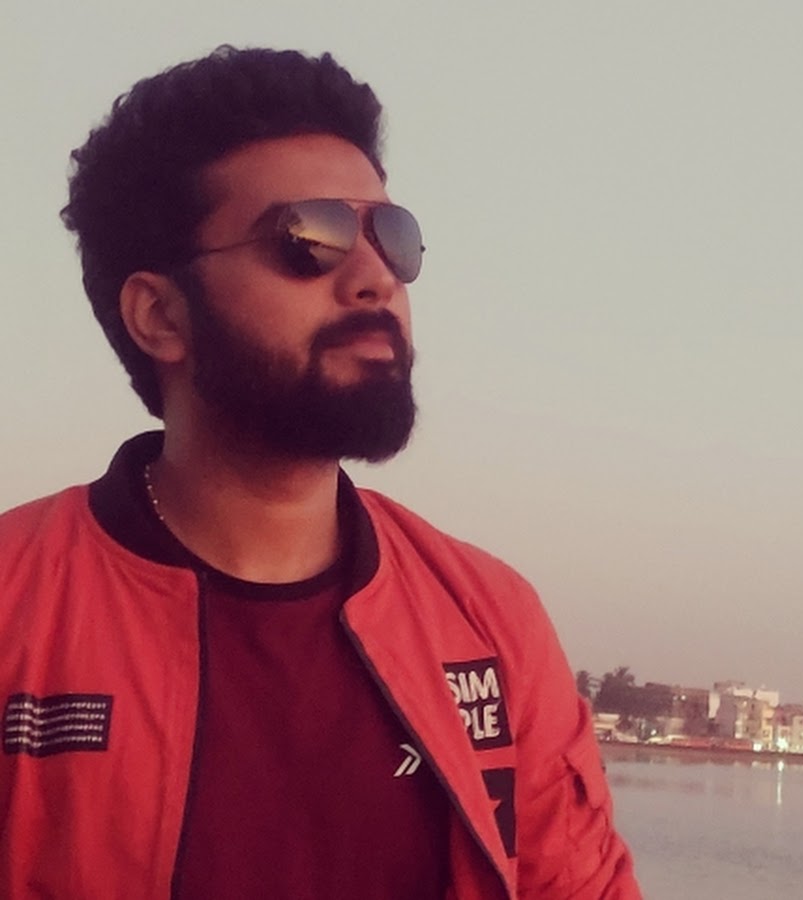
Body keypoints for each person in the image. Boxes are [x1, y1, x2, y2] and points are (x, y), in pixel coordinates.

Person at [0, 46, 641, 899]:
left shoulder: (489, 621)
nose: (375, 278)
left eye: (390, 235)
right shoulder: (18, 606)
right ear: (159, 315)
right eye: (309, 238)